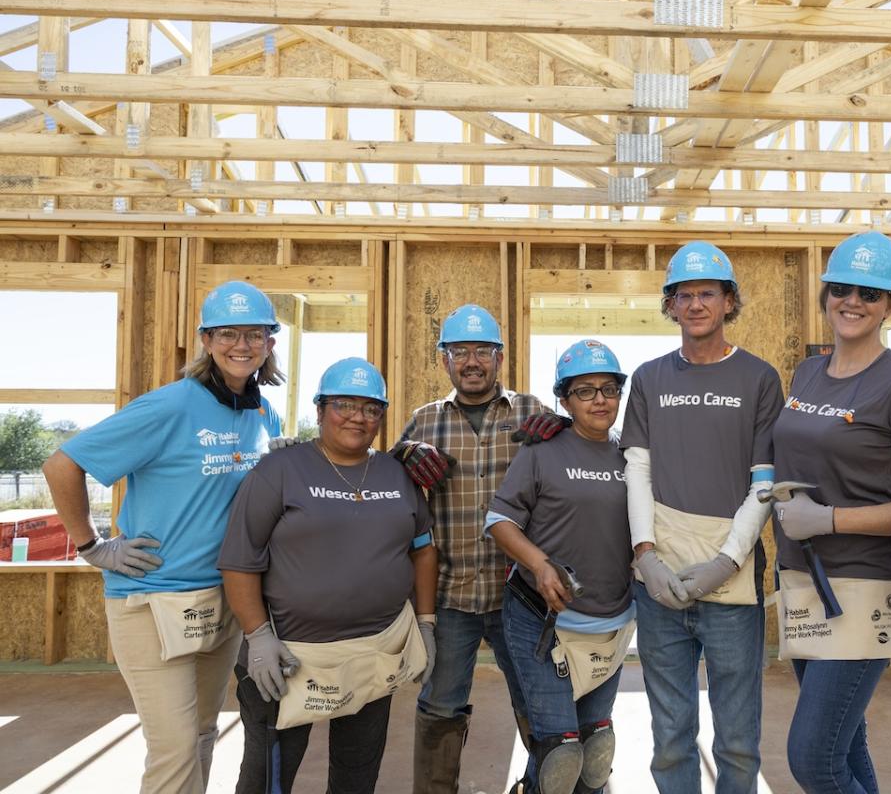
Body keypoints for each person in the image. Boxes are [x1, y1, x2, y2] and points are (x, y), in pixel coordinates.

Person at [42, 281, 284, 794]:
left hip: (223, 600)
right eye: (228, 333)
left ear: (271, 343)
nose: (242, 345)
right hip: (153, 600)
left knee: (200, 734)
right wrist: (92, 546)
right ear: (206, 340)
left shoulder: (263, 415)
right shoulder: (170, 407)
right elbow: (63, 463)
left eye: (255, 334)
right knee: (173, 748)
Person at [769, 231, 891, 794]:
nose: (853, 301)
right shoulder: (809, 374)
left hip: (865, 586)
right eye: (841, 288)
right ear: (825, 295)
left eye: (870, 293)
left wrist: (830, 520)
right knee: (846, 744)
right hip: (801, 577)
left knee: (813, 758)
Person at [218, 357, 437, 794]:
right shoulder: (279, 470)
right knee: (267, 778)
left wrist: (426, 624)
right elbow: (240, 560)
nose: (358, 416)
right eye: (344, 404)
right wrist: (258, 636)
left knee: (357, 775)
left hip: (373, 656)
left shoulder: (398, 474)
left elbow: (423, 548)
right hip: (289, 657)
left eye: (371, 408)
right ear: (319, 410)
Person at [621, 241, 783, 794]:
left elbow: (764, 484)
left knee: (737, 742)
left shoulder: (759, 379)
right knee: (670, 739)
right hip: (660, 585)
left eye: (706, 294)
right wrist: (645, 556)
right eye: (683, 295)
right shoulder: (648, 378)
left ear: (728, 301)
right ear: (670, 305)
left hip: (731, 590)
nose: (695, 304)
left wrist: (728, 560)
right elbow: (636, 470)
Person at [392, 304, 566, 793]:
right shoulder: (425, 421)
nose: (472, 361)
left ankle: (541, 785)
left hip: (520, 595)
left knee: (537, 702)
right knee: (441, 703)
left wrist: (562, 434)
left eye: (482, 351)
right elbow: (388, 483)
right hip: (451, 595)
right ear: (443, 359)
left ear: (500, 357)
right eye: (460, 350)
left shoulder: (533, 412)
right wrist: (404, 454)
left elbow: (582, 456)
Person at [486, 339, 635, 794]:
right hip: (543, 621)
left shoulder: (632, 456)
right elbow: (500, 520)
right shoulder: (542, 451)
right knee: (560, 753)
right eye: (584, 391)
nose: (599, 400)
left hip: (611, 624)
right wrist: (541, 564)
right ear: (565, 399)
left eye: (608, 389)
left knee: (595, 753)